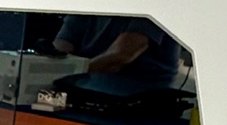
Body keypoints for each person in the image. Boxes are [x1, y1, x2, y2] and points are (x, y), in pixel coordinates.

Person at [52, 15, 181, 83]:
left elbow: (121, 56)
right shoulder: (90, 0)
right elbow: (61, 47)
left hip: (144, 92)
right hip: (84, 84)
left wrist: (71, 70)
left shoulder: (149, 1)